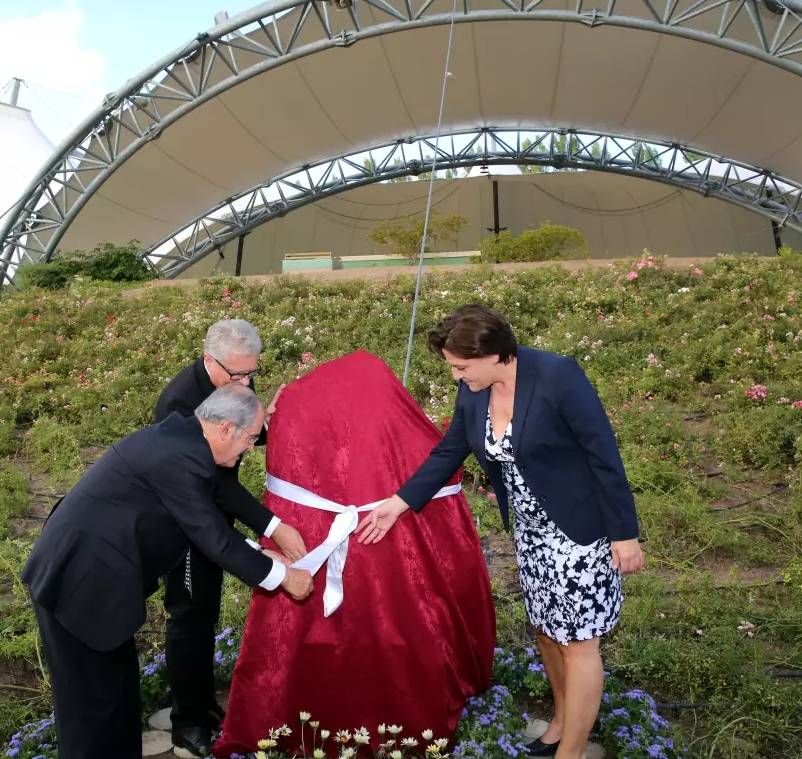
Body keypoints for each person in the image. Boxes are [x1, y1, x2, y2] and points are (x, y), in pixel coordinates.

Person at [359, 304, 644, 759]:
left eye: (460, 366)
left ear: (494, 354)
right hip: (531, 534)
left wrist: (624, 534)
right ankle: (561, 723)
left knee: (579, 642)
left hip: (580, 530)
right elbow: (451, 448)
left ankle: (571, 754)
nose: (455, 376)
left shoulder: (557, 376)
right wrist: (398, 503)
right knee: (547, 631)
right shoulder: (475, 390)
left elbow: (603, 454)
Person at [213, 350, 495, 756]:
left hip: (312, 533)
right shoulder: (401, 441)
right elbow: (440, 464)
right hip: (379, 536)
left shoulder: (301, 432)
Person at [22, 385, 314, 759]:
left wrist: (270, 555)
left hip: (101, 586)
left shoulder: (186, 441)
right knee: (91, 712)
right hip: (78, 585)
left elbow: (208, 524)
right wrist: (284, 577)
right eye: (251, 437)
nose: (249, 448)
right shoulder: (179, 456)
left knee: (119, 698)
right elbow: (213, 538)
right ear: (225, 428)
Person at [154, 320, 308, 757]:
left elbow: (243, 439)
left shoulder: (235, 379)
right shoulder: (180, 402)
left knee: (206, 612)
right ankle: (187, 721)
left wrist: (267, 422)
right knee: (189, 617)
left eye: (250, 374)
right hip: (186, 519)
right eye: (235, 375)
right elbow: (216, 482)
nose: (244, 383)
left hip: (213, 512)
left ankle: (203, 705)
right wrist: (271, 525)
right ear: (208, 358)